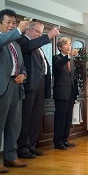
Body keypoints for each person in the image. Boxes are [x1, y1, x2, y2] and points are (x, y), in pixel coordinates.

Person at [0, 9, 29, 173]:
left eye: (14, 23)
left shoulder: (16, 44)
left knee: (14, 125)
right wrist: (17, 31)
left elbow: (22, 67)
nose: (11, 26)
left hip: (16, 87)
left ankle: (11, 157)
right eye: (8, 22)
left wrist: (23, 75)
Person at [16, 22, 60, 158]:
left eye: (41, 33)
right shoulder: (22, 41)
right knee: (26, 118)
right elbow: (29, 47)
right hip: (29, 86)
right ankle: (22, 148)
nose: (39, 35)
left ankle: (31, 145)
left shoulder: (37, 46)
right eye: (37, 32)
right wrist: (48, 36)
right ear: (28, 30)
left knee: (36, 118)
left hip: (40, 86)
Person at [52, 37, 79, 150]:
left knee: (68, 118)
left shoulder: (71, 60)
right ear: (60, 47)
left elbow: (72, 77)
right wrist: (68, 57)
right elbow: (57, 67)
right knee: (60, 118)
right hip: (61, 93)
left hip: (71, 93)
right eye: (66, 44)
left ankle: (65, 139)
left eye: (69, 44)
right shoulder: (56, 58)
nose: (69, 46)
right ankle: (58, 141)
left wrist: (76, 92)